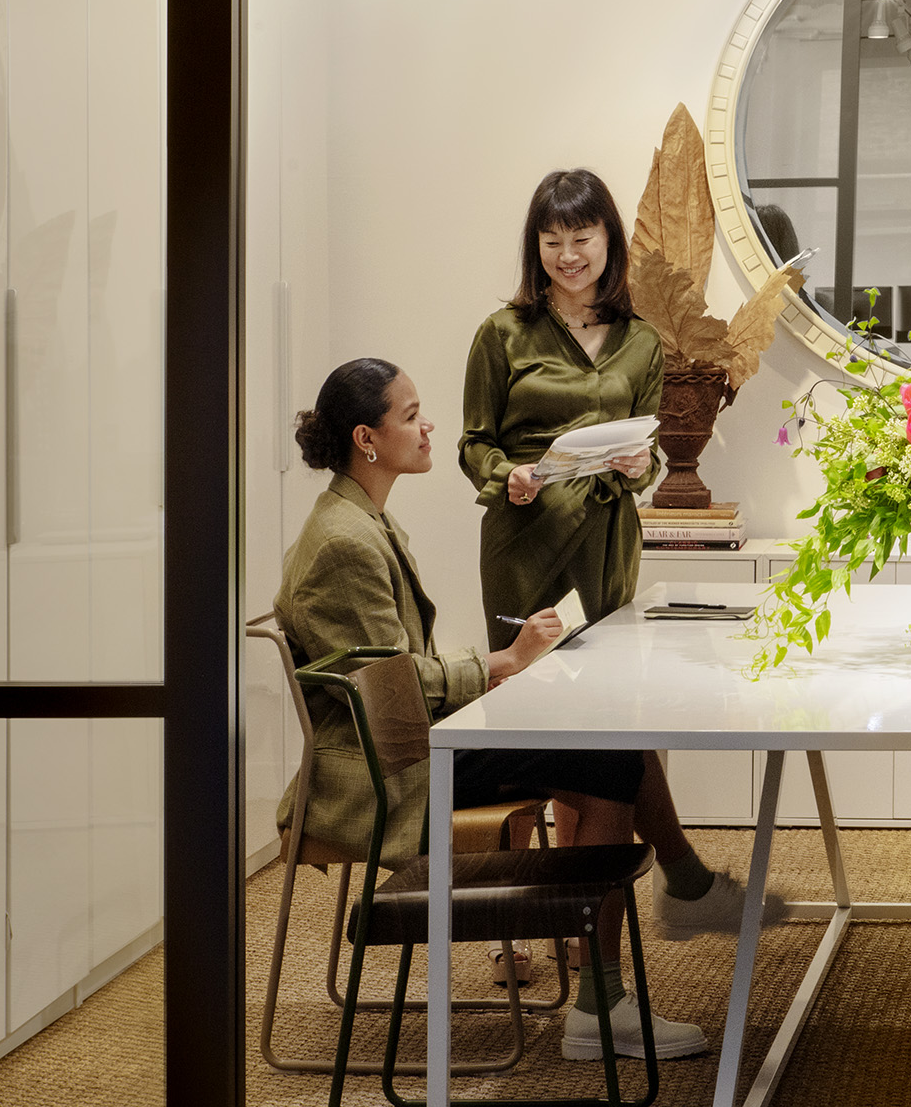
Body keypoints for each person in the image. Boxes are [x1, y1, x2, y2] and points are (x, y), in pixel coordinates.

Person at [275, 357, 757, 1062]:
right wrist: (501, 665)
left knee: (610, 737)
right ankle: (605, 995)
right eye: (411, 415)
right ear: (365, 439)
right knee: (611, 758)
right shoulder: (346, 541)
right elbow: (391, 687)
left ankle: (662, 913)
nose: (427, 424)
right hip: (392, 769)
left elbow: (394, 672)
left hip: (406, 740)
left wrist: (503, 667)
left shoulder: (357, 519)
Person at [463, 168, 663, 638]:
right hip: (526, 538)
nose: (567, 256)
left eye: (581, 239)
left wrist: (640, 465)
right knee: (523, 686)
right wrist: (506, 473)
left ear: (609, 239)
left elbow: (650, 460)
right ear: (535, 247)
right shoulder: (502, 333)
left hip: (608, 540)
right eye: (551, 242)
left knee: (610, 690)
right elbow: (474, 443)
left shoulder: (643, 341)